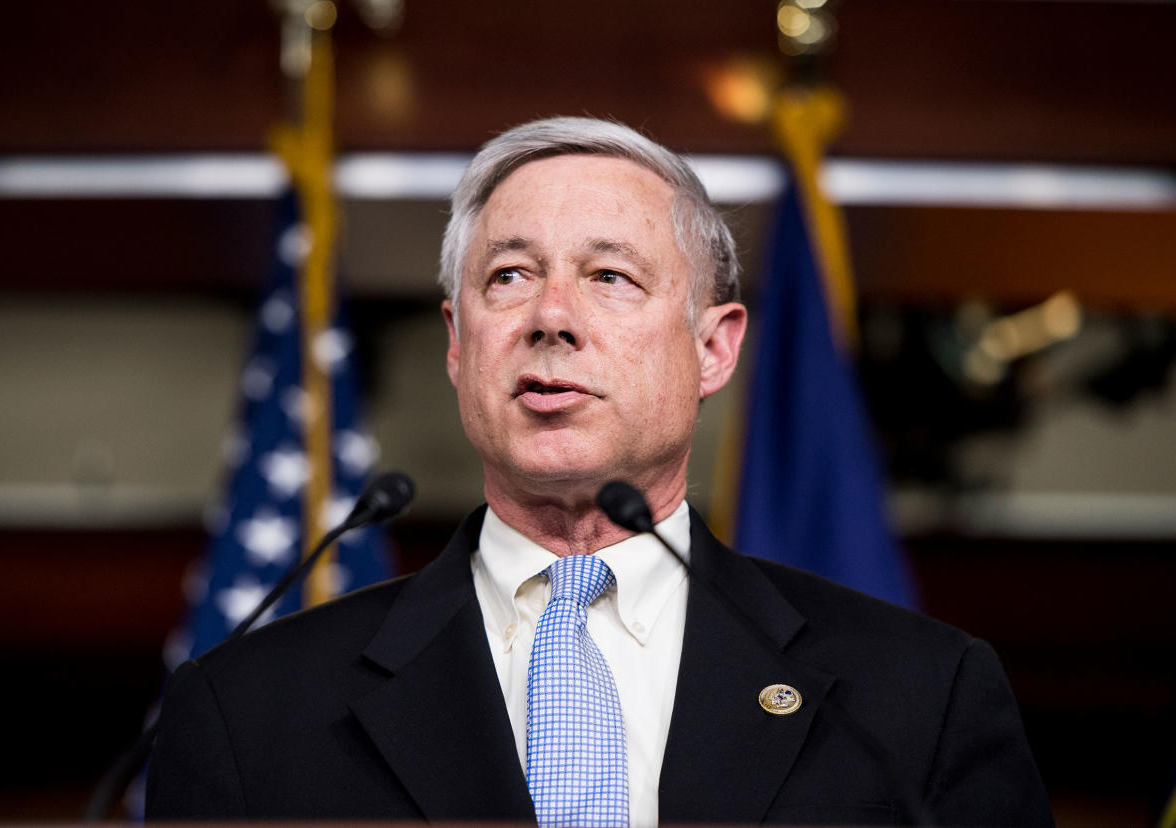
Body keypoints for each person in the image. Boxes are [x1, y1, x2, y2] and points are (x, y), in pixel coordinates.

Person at [147, 117, 1053, 826]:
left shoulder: (919, 698)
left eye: (610, 277)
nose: (551, 317)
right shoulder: (247, 710)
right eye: (508, 276)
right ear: (460, 347)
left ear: (713, 347)